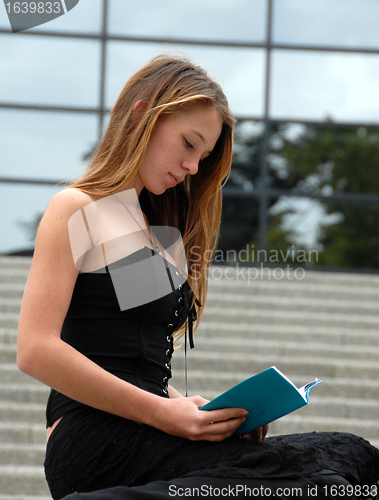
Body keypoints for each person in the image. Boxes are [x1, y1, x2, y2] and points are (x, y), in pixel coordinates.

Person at [17, 54, 379, 500]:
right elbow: (35, 350)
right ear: (142, 113)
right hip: (95, 441)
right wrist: (166, 415)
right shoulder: (77, 209)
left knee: (353, 456)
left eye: (203, 156)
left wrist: (204, 411)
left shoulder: (158, 231)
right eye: (189, 143)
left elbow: (135, 352)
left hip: (154, 428)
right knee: (316, 479)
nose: (193, 167)